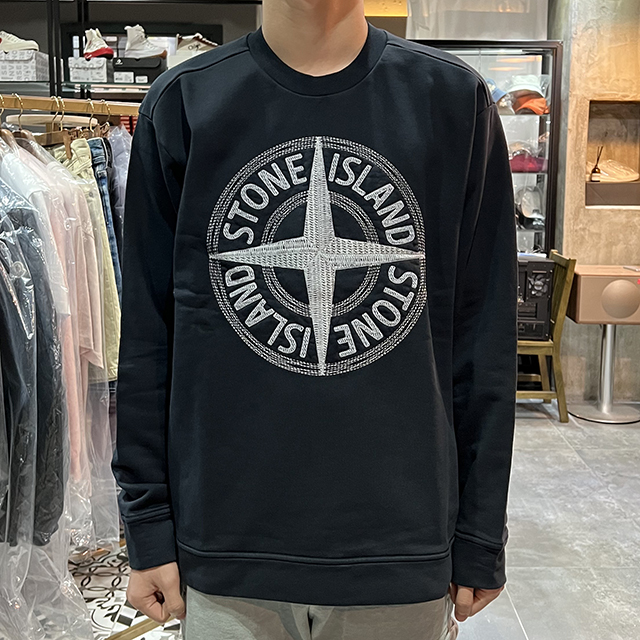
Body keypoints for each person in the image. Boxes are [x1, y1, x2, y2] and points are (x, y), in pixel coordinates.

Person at [112, 0, 518, 637]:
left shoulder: (452, 100)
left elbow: (484, 337)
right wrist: (146, 525)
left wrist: (481, 531)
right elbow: (146, 338)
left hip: (400, 545)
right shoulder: (185, 102)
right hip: (224, 546)